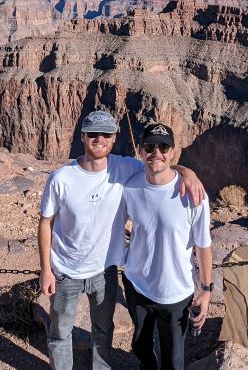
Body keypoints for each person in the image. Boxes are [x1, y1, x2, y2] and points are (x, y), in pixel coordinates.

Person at [38, 110, 205, 370]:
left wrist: (188, 172)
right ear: (82, 136)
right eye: (93, 133)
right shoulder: (61, 178)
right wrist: (45, 270)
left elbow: (161, 166)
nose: (99, 139)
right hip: (65, 271)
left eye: (105, 134)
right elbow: (45, 222)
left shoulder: (125, 167)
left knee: (103, 331)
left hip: (105, 270)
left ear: (114, 138)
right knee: (60, 334)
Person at [122, 122, 212, 370]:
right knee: (140, 346)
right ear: (141, 150)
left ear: (173, 152)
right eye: (150, 147)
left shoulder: (193, 195)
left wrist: (206, 289)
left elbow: (203, 245)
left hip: (175, 295)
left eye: (163, 147)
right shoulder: (130, 187)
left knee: (173, 361)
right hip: (136, 285)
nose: (156, 153)